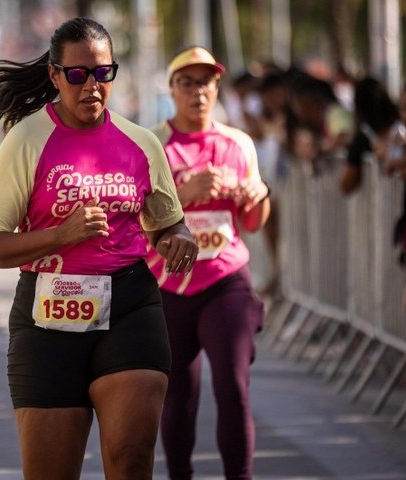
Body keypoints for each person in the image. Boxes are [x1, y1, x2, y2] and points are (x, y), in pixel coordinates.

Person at [0, 17, 198, 480]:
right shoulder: (27, 140)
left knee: (132, 460)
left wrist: (180, 241)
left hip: (130, 304)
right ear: (54, 75)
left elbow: (170, 225)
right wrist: (60, 234)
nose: (91, 85)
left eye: (102, 73)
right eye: (76, 74)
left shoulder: (141, 143)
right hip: (48, 313)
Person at [146, 46, 270, 480]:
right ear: (172, 90)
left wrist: (259, 197)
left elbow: (252, 222)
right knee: (178, 394)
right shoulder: (151, 144)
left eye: (207, 82)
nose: (198, 92)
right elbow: (133, 218)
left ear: (217, 88)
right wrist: (186, 192)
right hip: (168, 283)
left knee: (233, 387)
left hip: (225, 279)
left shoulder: (238, 143)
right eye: (188, 82)